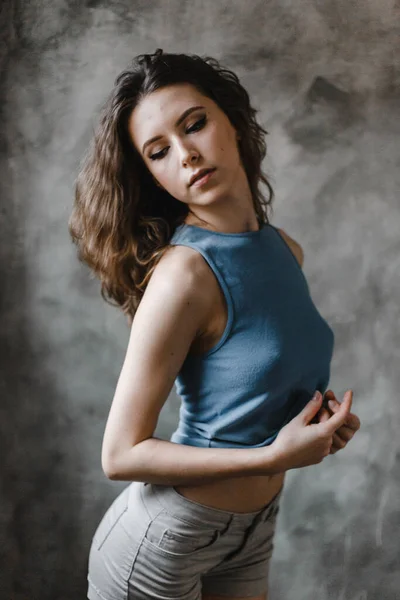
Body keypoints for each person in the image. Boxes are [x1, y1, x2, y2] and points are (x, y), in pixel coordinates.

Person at [69, 49, 361, 600]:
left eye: (195, 124)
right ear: (151, 173)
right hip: (166, 540)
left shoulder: (283, 249)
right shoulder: (185, 273)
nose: (186, 155)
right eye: (159, 152)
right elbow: (119, 454)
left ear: (232, 119)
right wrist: (274, 456)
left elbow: (256, 392)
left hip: (252, 531)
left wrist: (319, 428)